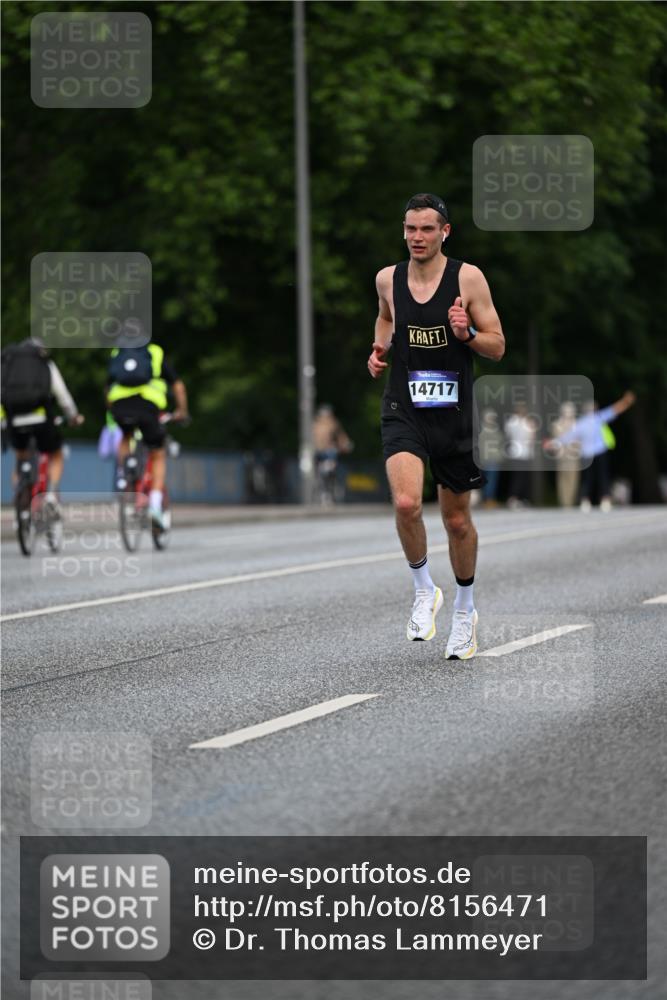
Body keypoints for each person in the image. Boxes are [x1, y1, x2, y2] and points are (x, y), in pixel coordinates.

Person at [368, 193, 505, 660]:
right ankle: (424, 589)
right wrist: (378, 351)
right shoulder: (388, 279)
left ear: (445, 232)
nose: (417, 237)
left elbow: (498, 345)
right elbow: (385, 319)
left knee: (456, 519)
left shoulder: (467, 278)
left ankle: (465, 610)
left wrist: (466, 333)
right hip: (404, 408)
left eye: (427, 229)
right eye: (410, 228)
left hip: (455, 416)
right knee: (406, 502)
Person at [106, 339, 189, 528]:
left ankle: (123, 473)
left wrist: (113, 410)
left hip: (120, 407)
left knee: (125, 436)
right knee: (158, 452)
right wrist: (182, 412)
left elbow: (108, 385)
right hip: (147, 407)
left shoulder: (117, 352)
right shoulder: (155, 352)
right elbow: (178, 386)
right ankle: (154, 505)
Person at [1, 338, 83, 514]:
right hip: (40, 419)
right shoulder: (44, 363)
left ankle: (19, 494)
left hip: (13, 420)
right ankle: (51, 496)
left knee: (20, 456)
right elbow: (62, 395)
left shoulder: (8, 363)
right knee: (56, 453)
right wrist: (73, 417)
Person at [547, 391, 635, 511]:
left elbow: (567, 437)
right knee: (602, 477)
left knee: (588, 479)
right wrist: (626, 401)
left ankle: (585, 500)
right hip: (599, 452)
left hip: (587, 454)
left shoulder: (580, 423)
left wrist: (553, 443)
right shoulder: (598, 417)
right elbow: (615, 409)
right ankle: (604, 499)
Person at [312, 404, 353, 503]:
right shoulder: (315, 424)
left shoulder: (333, 423)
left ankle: (330, 488)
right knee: (319, 473)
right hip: (318, 452)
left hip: (329, 451)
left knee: (330, 469)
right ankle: (323, 491)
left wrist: (346, 444)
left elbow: (341, 436)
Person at [504, 402, 537, 509]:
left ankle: (517, 498)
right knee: (521, 477)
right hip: (524, 453)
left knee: (516, 476)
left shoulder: (510, 422)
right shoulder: (527, 423)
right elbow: (531, 438)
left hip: (514, 452)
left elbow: (508, 435)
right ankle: (515, 498)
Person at [550, 401, 580, 507]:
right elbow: (555, 441)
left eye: (570, 411)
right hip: (562, 456)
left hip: (573, 456)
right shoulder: (556, 425)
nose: (568, 413)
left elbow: (579, 441)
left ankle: (570, 501)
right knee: (562, 478)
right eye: (566, 411)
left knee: (573, 478)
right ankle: (564, 501)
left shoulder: (577, 424)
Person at [477, 408, 504, 508]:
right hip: (483, 458)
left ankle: (489, 499)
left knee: (491, 480)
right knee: (482, 480)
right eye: (490, 417)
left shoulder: (496, 429)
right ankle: (484, 499)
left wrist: (500, 455)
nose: (492, 419)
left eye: (493, 417)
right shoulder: (480, 429)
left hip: (493, 459)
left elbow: (501, 443)